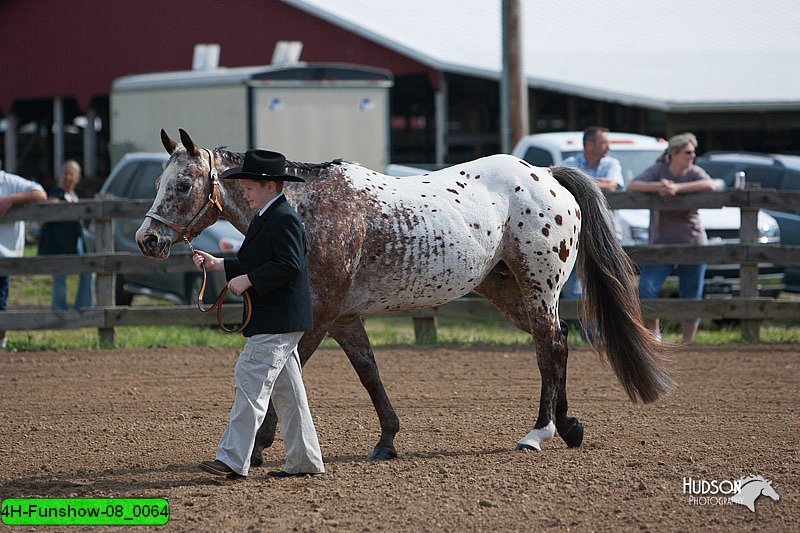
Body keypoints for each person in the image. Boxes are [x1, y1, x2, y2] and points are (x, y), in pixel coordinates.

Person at [192, 149, 324, 482]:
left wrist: (248, 280)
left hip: (277, 319)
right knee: (288, 394)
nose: (245, 194)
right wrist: (219, 264)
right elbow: (263, 260)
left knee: (250, 380)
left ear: (268, 185)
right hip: (281, 318)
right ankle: (305, 461)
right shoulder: (271, 216)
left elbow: (289, 266)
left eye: (249, 188)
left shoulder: (282, 218)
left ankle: (232, 460)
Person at [627, 132, 716, 343]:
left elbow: (710, 185)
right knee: (647, 287)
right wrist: (657, 187)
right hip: (661, 243)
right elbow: (632, 185)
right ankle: (655, 334)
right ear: (674, 153)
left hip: (692, 242)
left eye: (693, 152)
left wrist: (678, 188)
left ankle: (687, 342)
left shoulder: (694, 172)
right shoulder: (659, 170)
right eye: (687, 152)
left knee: (691, 292)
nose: (692, 156)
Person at [561, 127, 625, 339]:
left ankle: (597, 333)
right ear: (590, 145)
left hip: (602, 237)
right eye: (604, 142)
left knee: (604, 284)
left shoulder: (611, 164)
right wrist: (595, 184)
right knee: (572, 290)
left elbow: (613, 185)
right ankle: (589, 333)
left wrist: (579, 182)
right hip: (575, 236)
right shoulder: (570, 163)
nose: (608, 147)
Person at [0, 163, 47, 349]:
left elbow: (39, 193)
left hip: (4, 255)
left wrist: (9, 200)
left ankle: (1, 344)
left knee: (0, 302)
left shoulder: (9, 182)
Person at [38, 160, 93, 311]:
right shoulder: (55, 194)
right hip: (59, 242)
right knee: (60, 278)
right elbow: (42, 216)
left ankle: (83, 306)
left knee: (88, 271)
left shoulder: (74, 195)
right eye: (66, 173)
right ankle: (59, 310)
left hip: (76, 241)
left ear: (77, 177)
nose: (68, 177)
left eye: (72, 173)